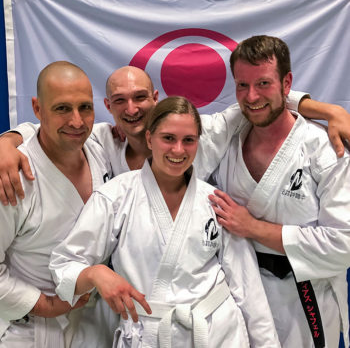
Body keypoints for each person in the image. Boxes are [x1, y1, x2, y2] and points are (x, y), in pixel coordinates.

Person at [49, 96, 281, 348]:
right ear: (150, 139)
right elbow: (64, 265)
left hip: (217, 332)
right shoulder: (115, 197)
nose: (178, 150)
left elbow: (248, 289)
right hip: (149, 333)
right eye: (168, 138)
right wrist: (96, 273)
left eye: (188, 140)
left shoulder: (214, 201)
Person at [1, 66, 350, 206]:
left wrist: (325, 110)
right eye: (120, 101)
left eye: (140, 98)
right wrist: (6, 141)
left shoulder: (202, 134)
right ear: (108, 106)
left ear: (156, 98)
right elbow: (44, 127)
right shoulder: (101, 142)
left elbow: (255, 102)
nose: (132, 109)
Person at [209, 35, 350, 347]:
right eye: (242, 85)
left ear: (287, 83)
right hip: (239, 292)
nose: (251, 96)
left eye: (263, 83)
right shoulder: (228, 137)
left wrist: (253, 227)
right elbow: (175, 136)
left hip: (302, 296)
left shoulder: (324, 149)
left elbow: (343, 244)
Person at [0, 61, 150, 348]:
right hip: (31, 328)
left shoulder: (99, 146)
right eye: (62, 108)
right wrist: (46, 305)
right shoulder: (12, 177)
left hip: (93, 320)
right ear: (37, 108)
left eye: (85, 107)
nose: (77, 121)